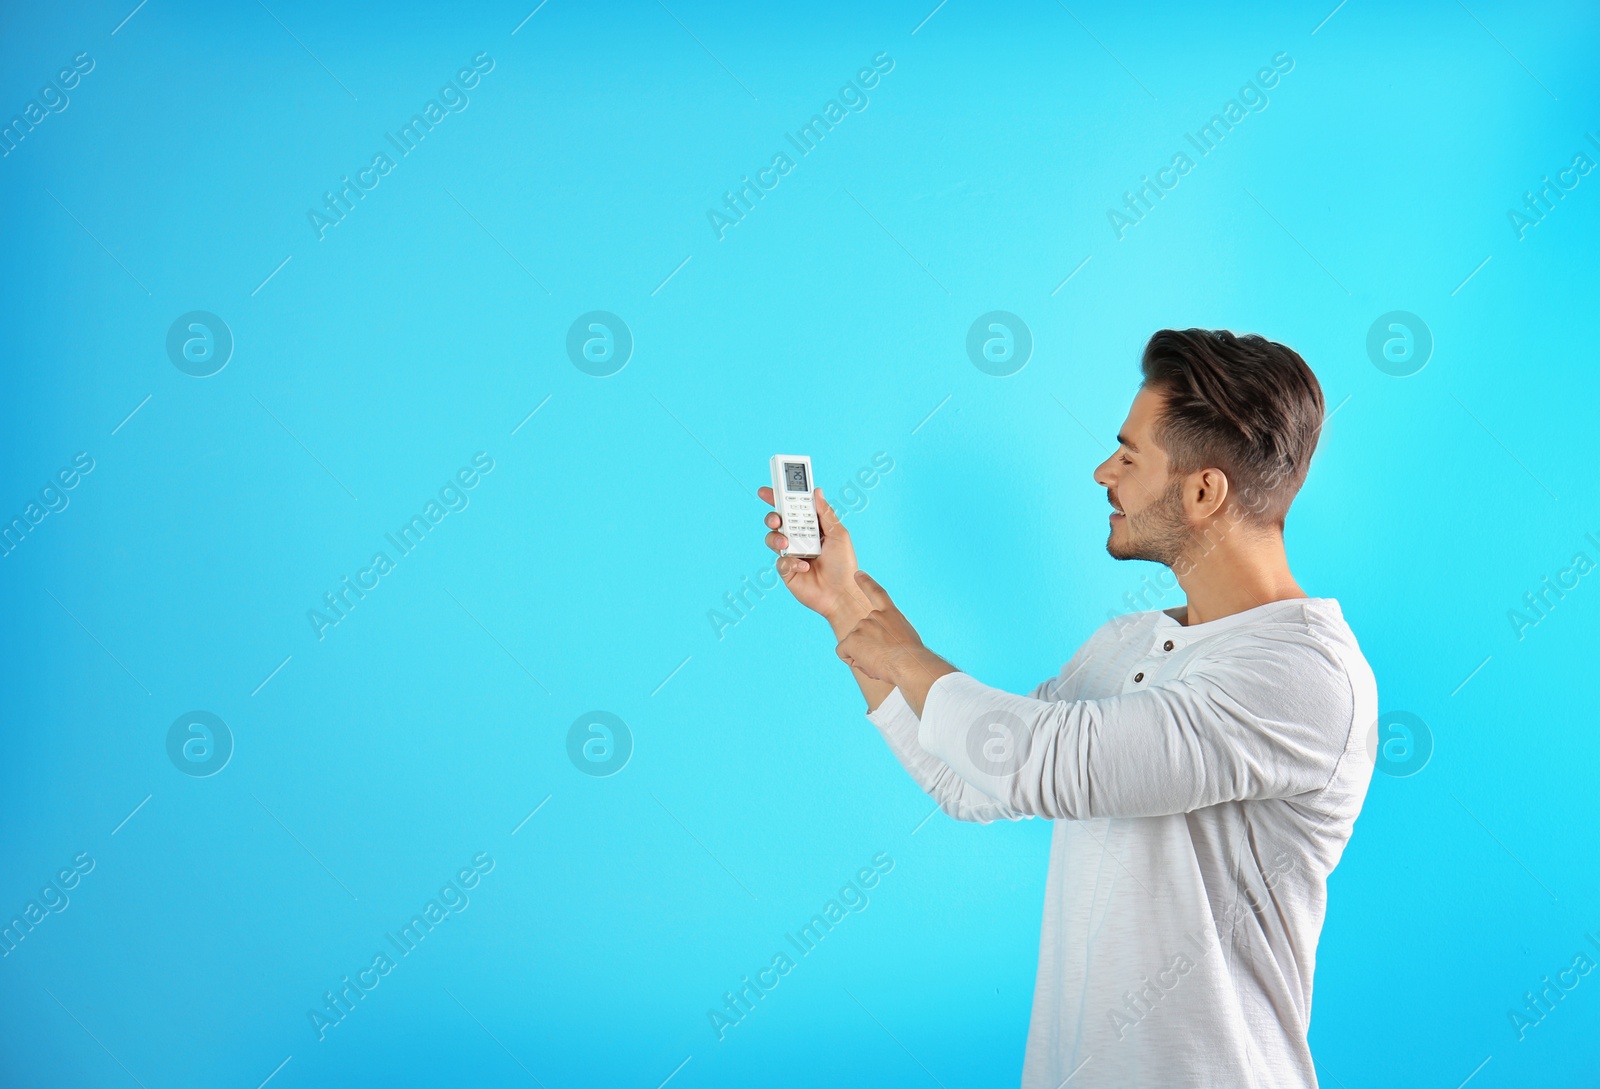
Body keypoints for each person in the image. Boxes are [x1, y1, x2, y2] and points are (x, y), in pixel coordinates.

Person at [757, 329, 1376, 1088]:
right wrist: (848, 604)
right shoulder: (1127, 643)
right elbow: (974, 773)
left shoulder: (1303, 672)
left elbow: (1044, 763)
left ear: (1204, 491)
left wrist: (897, 650)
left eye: (1129, 454)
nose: (1102, 471)